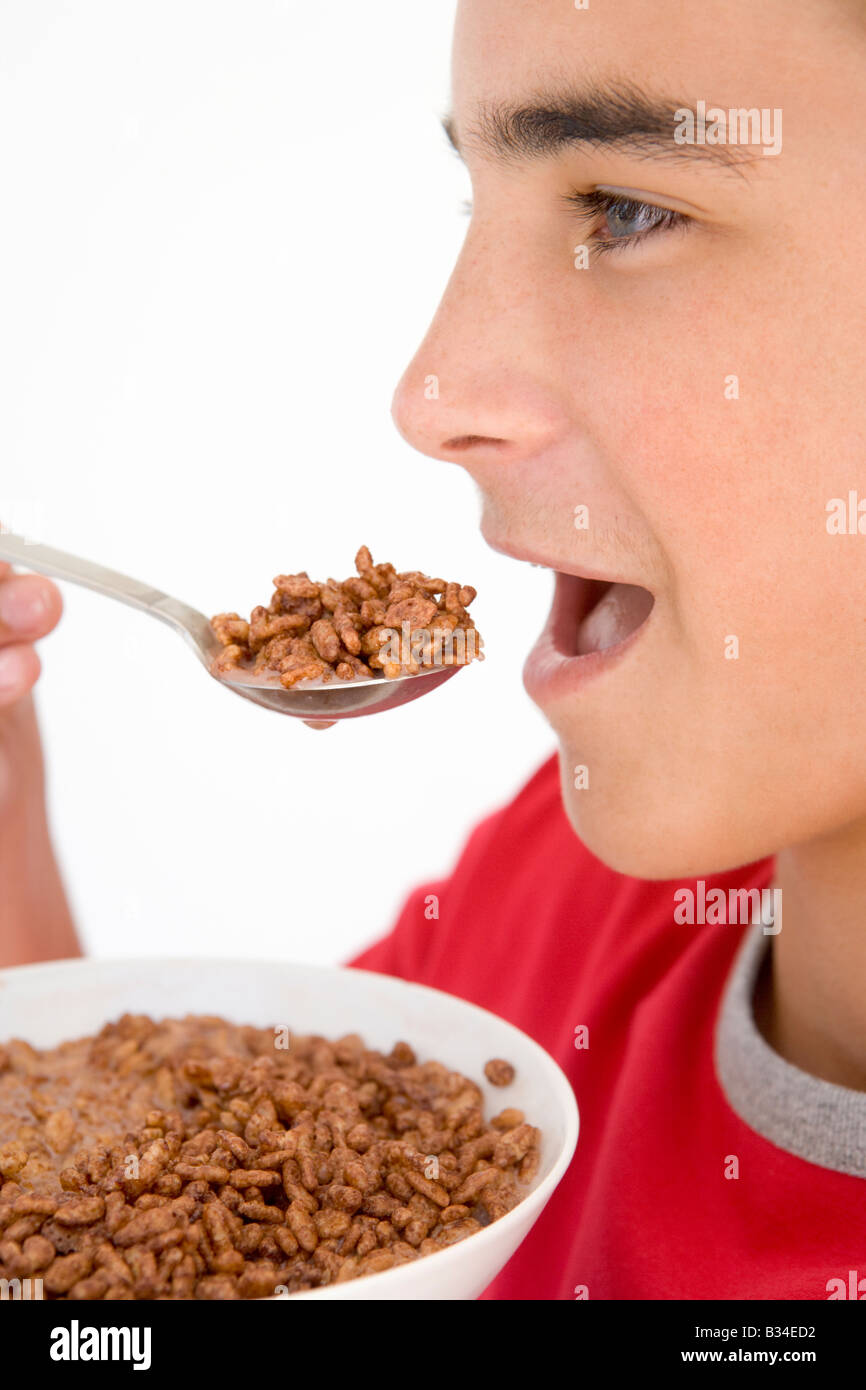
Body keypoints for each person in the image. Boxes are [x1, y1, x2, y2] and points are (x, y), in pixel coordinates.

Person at [6, 0, 866, 1298]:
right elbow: (130, 1211)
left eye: (626, 210)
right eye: (478, 200)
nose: (429, 393)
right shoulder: (546, 917)